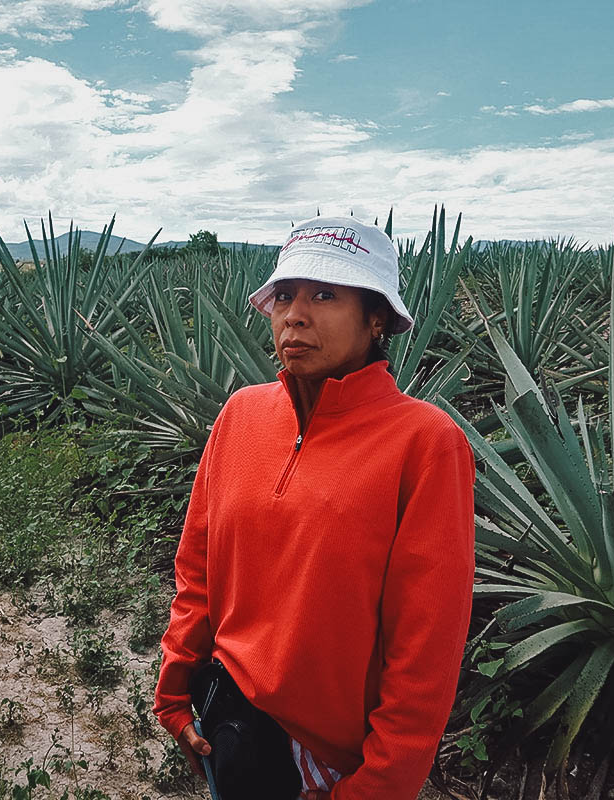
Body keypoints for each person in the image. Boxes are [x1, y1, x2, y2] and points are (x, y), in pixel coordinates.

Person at [153, 217, 475, 799]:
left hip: (327, 764)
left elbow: (425, 649)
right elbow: (197, 568)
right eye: (285, 295)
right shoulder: (241, 415)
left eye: (324, 294)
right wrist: (175, 687)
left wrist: (378, 786)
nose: (294, 315)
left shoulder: (425, 443)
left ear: (376, 317)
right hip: (226, 715)